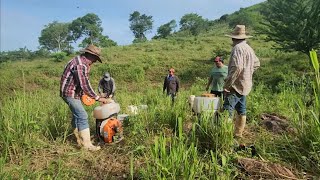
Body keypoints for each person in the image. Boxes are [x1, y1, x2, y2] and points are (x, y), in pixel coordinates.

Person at [60, 44, 109, 151]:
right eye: (95, 59)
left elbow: (79, 83)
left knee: (76, 116)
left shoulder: (78, 60)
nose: (95, 61)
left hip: (73, 92)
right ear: (90, 55)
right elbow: (84, 84)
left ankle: (78, 139)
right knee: (82, 115)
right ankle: (87, 145)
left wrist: (83, 94)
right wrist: (98, 98)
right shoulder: (80, 65)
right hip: (70, 93)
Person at [223, 25, 260, 138]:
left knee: (227, 110)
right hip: (245, 85)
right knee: (241, 110)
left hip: (236, 86)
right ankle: (238, 134)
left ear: (233, 38)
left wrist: (228, 84)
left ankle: (224, 135)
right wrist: (248, 73)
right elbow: (257, 63)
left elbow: (237, 68)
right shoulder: (249, 48)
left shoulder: (237, 48)